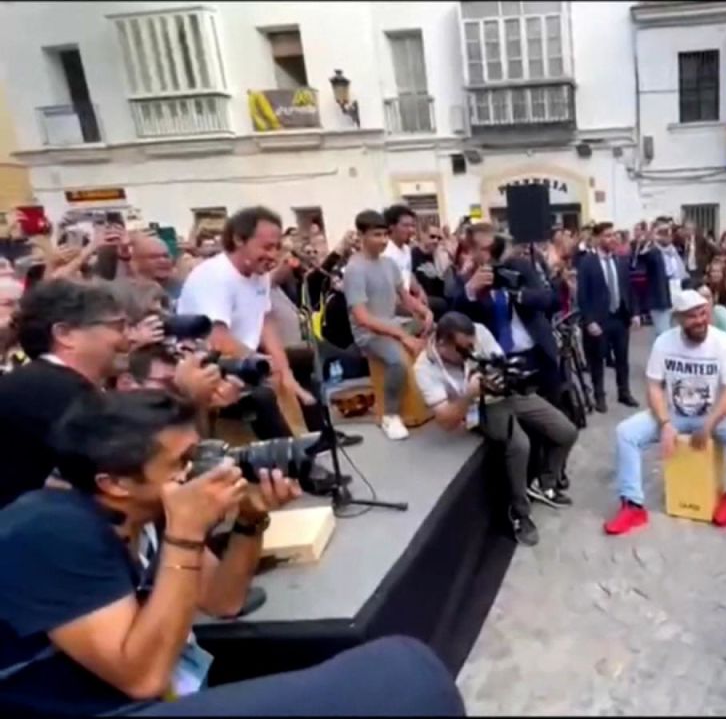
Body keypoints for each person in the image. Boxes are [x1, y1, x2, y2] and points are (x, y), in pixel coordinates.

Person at [0, 390, 462, 716]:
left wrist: (249, 519)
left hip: (166, 689)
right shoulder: (49, 532)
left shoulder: (151, 506)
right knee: (404, 678)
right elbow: (142, 678)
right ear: (114, 483)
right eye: (182, 462)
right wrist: (185, 530)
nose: (200, 469)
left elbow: (223, 601)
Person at [604, 290, 726, 535]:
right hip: (674, 412)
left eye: (703, 313)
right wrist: (665, 423)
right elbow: (654, 386)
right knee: (626, 433)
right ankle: (633, 505)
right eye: (692, 316)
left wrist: (709, 425)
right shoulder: (664, 342)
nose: (700, 320)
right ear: (678, 318)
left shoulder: (723, 342)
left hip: (715, 414)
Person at [414, 312, 579, 546]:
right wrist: (469, 394)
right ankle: (519, 513)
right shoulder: (424, 368)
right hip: (474, 408)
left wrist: (504, 378)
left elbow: (501, 365)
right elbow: (445, 420)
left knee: (566, 431)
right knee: (519, 445)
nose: (470, 352)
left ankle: (545, 483)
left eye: (472, 346)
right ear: (442, 344)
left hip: (503, 394)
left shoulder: (479, 332)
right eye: (463, 349)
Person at [175, 206, 326, 438]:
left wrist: (286, 373)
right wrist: (263, 363)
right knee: (266, 390)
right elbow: (217, 339)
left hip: (244, 359)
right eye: (266, 247)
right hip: (208, 365)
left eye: (277, 247)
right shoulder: (215, 276)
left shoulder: (260, 274)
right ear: (238, 240)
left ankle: (312, 439)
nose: (273, 256)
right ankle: (287, 457)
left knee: (301, 363)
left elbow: (265, 322)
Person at [0, 280, 128, 508]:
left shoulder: (39, 382)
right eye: (117, 327)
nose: (129, 339)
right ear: (64, 334)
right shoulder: (56, 392)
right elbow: (129, 472)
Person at [344, 209, 433, 441]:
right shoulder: (354, 269)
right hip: (369, 334)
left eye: (385, 234)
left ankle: (434, 397)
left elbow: (405, 297)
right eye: (376, 235)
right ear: (361, 235)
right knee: (397, 362)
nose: (382, 240)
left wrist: (424, 312)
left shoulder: (388, 264)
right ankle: (390, 415)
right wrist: (402, 336)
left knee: (440, 333)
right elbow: (363, 318)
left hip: (393, 323)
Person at [452, 224, 562, 404]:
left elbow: (549, 300)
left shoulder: (519, 267)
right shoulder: (465, 279)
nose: (491, 254)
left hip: (536, 354)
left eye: (494, 247)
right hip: (500, 362)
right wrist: (470, 291)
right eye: (484, 249)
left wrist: (520, 294)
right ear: (472, 250)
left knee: (555, 420)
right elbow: (455, 319)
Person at [577, 222, 639, 412]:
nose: (612, 239)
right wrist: (589, 321)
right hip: (599, 319)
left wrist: (635, 313)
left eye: (613, 235)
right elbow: (582, 295)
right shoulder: (587, 262)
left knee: (622, 358)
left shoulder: (620, 261)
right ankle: (599, 396)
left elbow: (628, 288)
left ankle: (624, 392)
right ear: (597, 239)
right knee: (597, 361)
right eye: (607, 235)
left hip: (619, 317)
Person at [633, 218, 685, 334]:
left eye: (669, 232)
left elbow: (682, 274)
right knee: (663, 334)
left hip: (676, 298)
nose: (667, 235)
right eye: (663, 232)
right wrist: (650, 239)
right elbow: (641, 258)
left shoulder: (675, 252)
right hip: (660, 300)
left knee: (676, 336)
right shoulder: (653, 252)